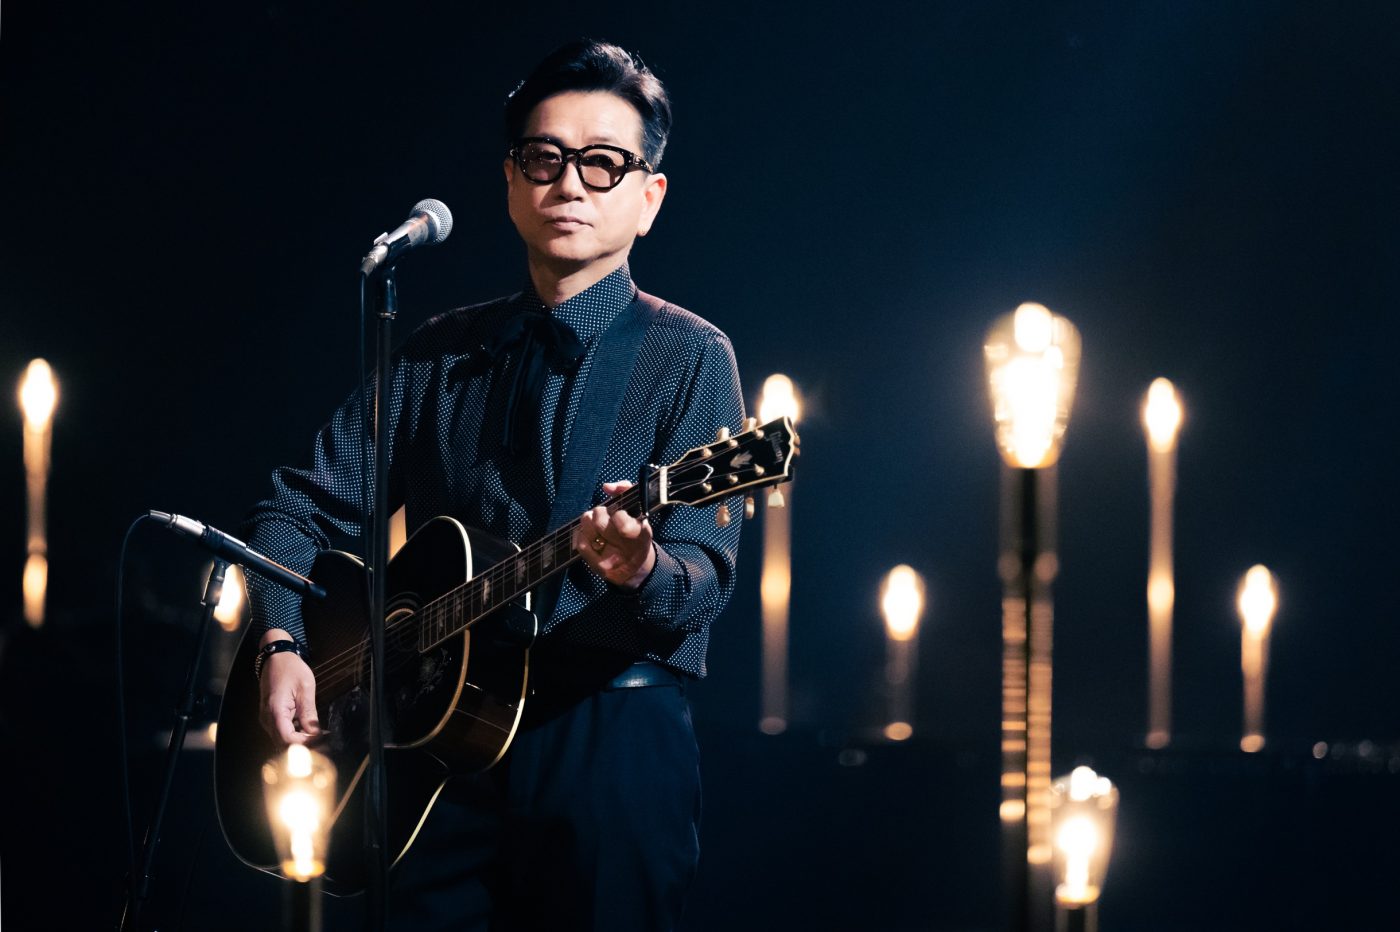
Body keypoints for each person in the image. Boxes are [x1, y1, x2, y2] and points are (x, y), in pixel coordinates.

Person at [242, 39, 745, 930]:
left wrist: (640, 568)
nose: (571, 183)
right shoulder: (440, 350)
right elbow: (296, 506)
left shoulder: (691, 355)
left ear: (649, 197)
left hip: (608, 735)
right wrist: (281, 640)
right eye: (545, 158)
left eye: (603, 162)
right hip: (434, 745)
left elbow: (705, 577)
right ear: (511, 180)